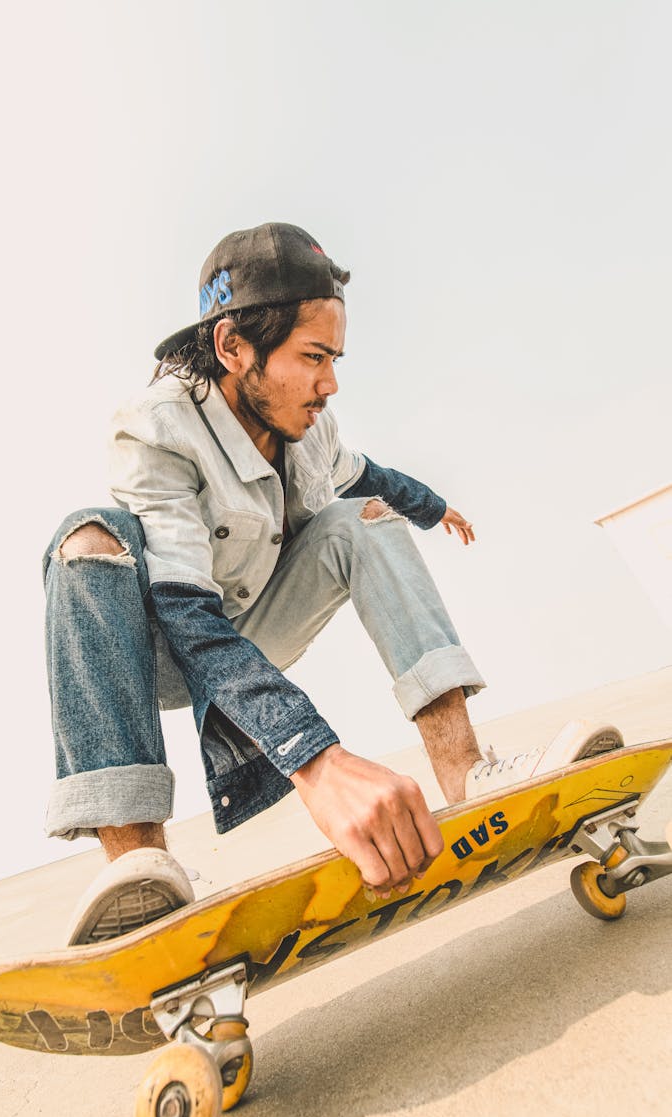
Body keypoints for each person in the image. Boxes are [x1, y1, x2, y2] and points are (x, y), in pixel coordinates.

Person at [43, 222, 622, 944]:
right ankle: (139, 867)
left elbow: (365, 475)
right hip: (164, 648)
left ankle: (470, 772)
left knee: (365, 515)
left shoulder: (310, 423)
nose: (331, 382)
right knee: (89, 536)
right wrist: (316, 762)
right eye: (313, 357)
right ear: (232, 347)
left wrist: (434, 507)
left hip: (258, 623)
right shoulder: (156, 429)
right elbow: (184, 611)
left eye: (335, 358)